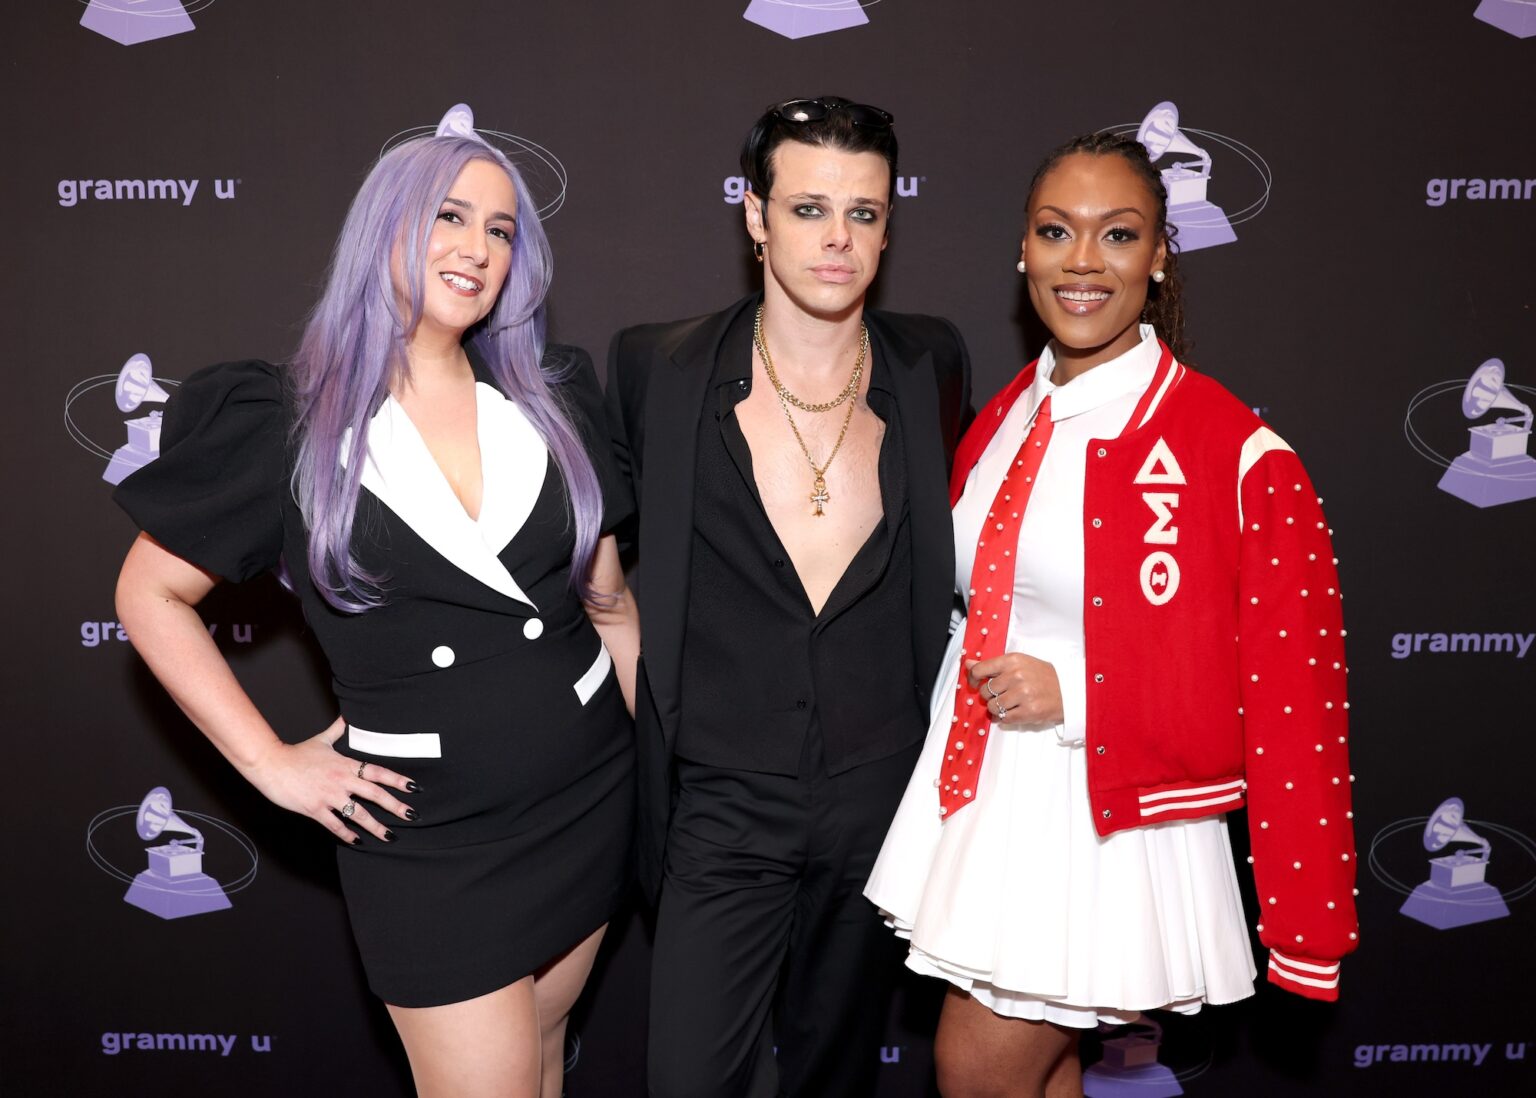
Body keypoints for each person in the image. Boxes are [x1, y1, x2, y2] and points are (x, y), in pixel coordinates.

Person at [112, 115, 637, 1098]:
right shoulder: (286, 425)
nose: (477, 247)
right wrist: (270, 764)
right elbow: (149, 592)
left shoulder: (552, 399)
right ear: (383, 228)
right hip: (432, 841)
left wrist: (635, 752)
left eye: (501, 228)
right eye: (449, 215)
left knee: (540, 1061)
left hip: (588, 802)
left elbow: (612, 608)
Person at [865, 131, 1360, 1098]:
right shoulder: (1004, 414)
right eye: (1056, 232)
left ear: (1161, 254)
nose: (1082, 262)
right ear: (1023, 251)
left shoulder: (1235, 450)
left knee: (973, 1070)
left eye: (1118, 234)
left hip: (1100, 815)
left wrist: (1084, 696)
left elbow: (1289, 692)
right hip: (988, 793)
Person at [605, 96, 972, 1097]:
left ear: (890, 226)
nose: (838, 239)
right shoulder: (657, 369)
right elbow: (601, 580)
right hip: (720, 806)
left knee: (837, 1075)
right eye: (809, 209)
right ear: (756, 218)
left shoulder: (933, 365)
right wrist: (666, 718)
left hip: (881, 803)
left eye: (863, 212)